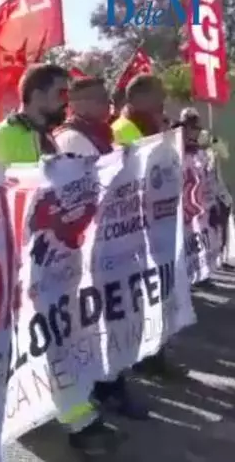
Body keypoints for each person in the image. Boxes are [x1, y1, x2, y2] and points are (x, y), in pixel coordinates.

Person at [0, 63, 119, 456]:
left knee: (56, 336)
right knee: (42, 339)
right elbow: (7, 199)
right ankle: (75, 421)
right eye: (61, 93)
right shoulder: (4, 136)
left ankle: (70, 412)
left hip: (55, 261)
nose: (66, 102)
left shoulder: (50, 138)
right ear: (38, 93)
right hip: (26, 264)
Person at [53, 76, 151, 421]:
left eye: (106, 99)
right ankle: (104, 390)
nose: (105, 105)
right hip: (89, 249)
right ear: (76, 104)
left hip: (112, 245)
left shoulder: (102, 136)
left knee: (113, 317)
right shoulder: (71, 139)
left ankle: (111, 384)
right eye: (96, 99)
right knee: (95, 323)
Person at [111, 75, 189, 380]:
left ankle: (156, 351)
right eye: (159, 95)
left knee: (157, 292)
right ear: (139, 97)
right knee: (140, 297)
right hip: (134, 230)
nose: (164, 101)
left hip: (157, 225)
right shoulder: (121, 130)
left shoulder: (156, 126)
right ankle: (145, 356)